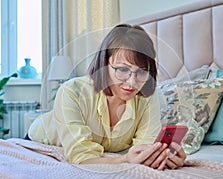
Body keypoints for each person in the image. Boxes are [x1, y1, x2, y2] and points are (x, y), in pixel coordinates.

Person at [27, 24, 186, 170]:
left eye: (141, 72)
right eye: (122, 70)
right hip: (39, 140)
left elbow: (142, 149)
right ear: (104, 65)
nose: (132, 83)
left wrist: (161, 156)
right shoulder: (72, 92)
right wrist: (125, 159)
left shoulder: (147, 96)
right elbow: (81, 157)